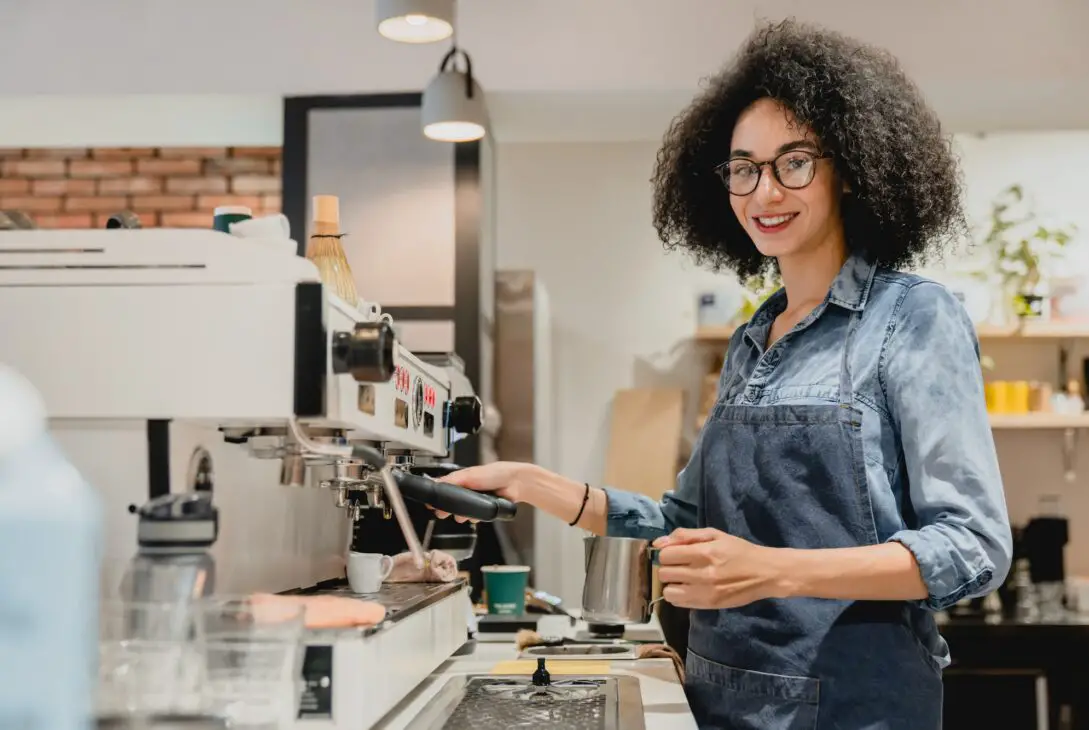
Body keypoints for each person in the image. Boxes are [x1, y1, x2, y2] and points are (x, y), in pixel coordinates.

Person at [439, 18, 1012, 730]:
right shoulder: (751, 339)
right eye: (743, 168)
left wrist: (774, 569)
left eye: (793, 162)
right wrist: (532, 485)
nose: (763, 192)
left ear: (853, 166)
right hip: (715, 701)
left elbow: (971, 547)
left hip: (852, 711)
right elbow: (685, 523)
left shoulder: (910, 318)